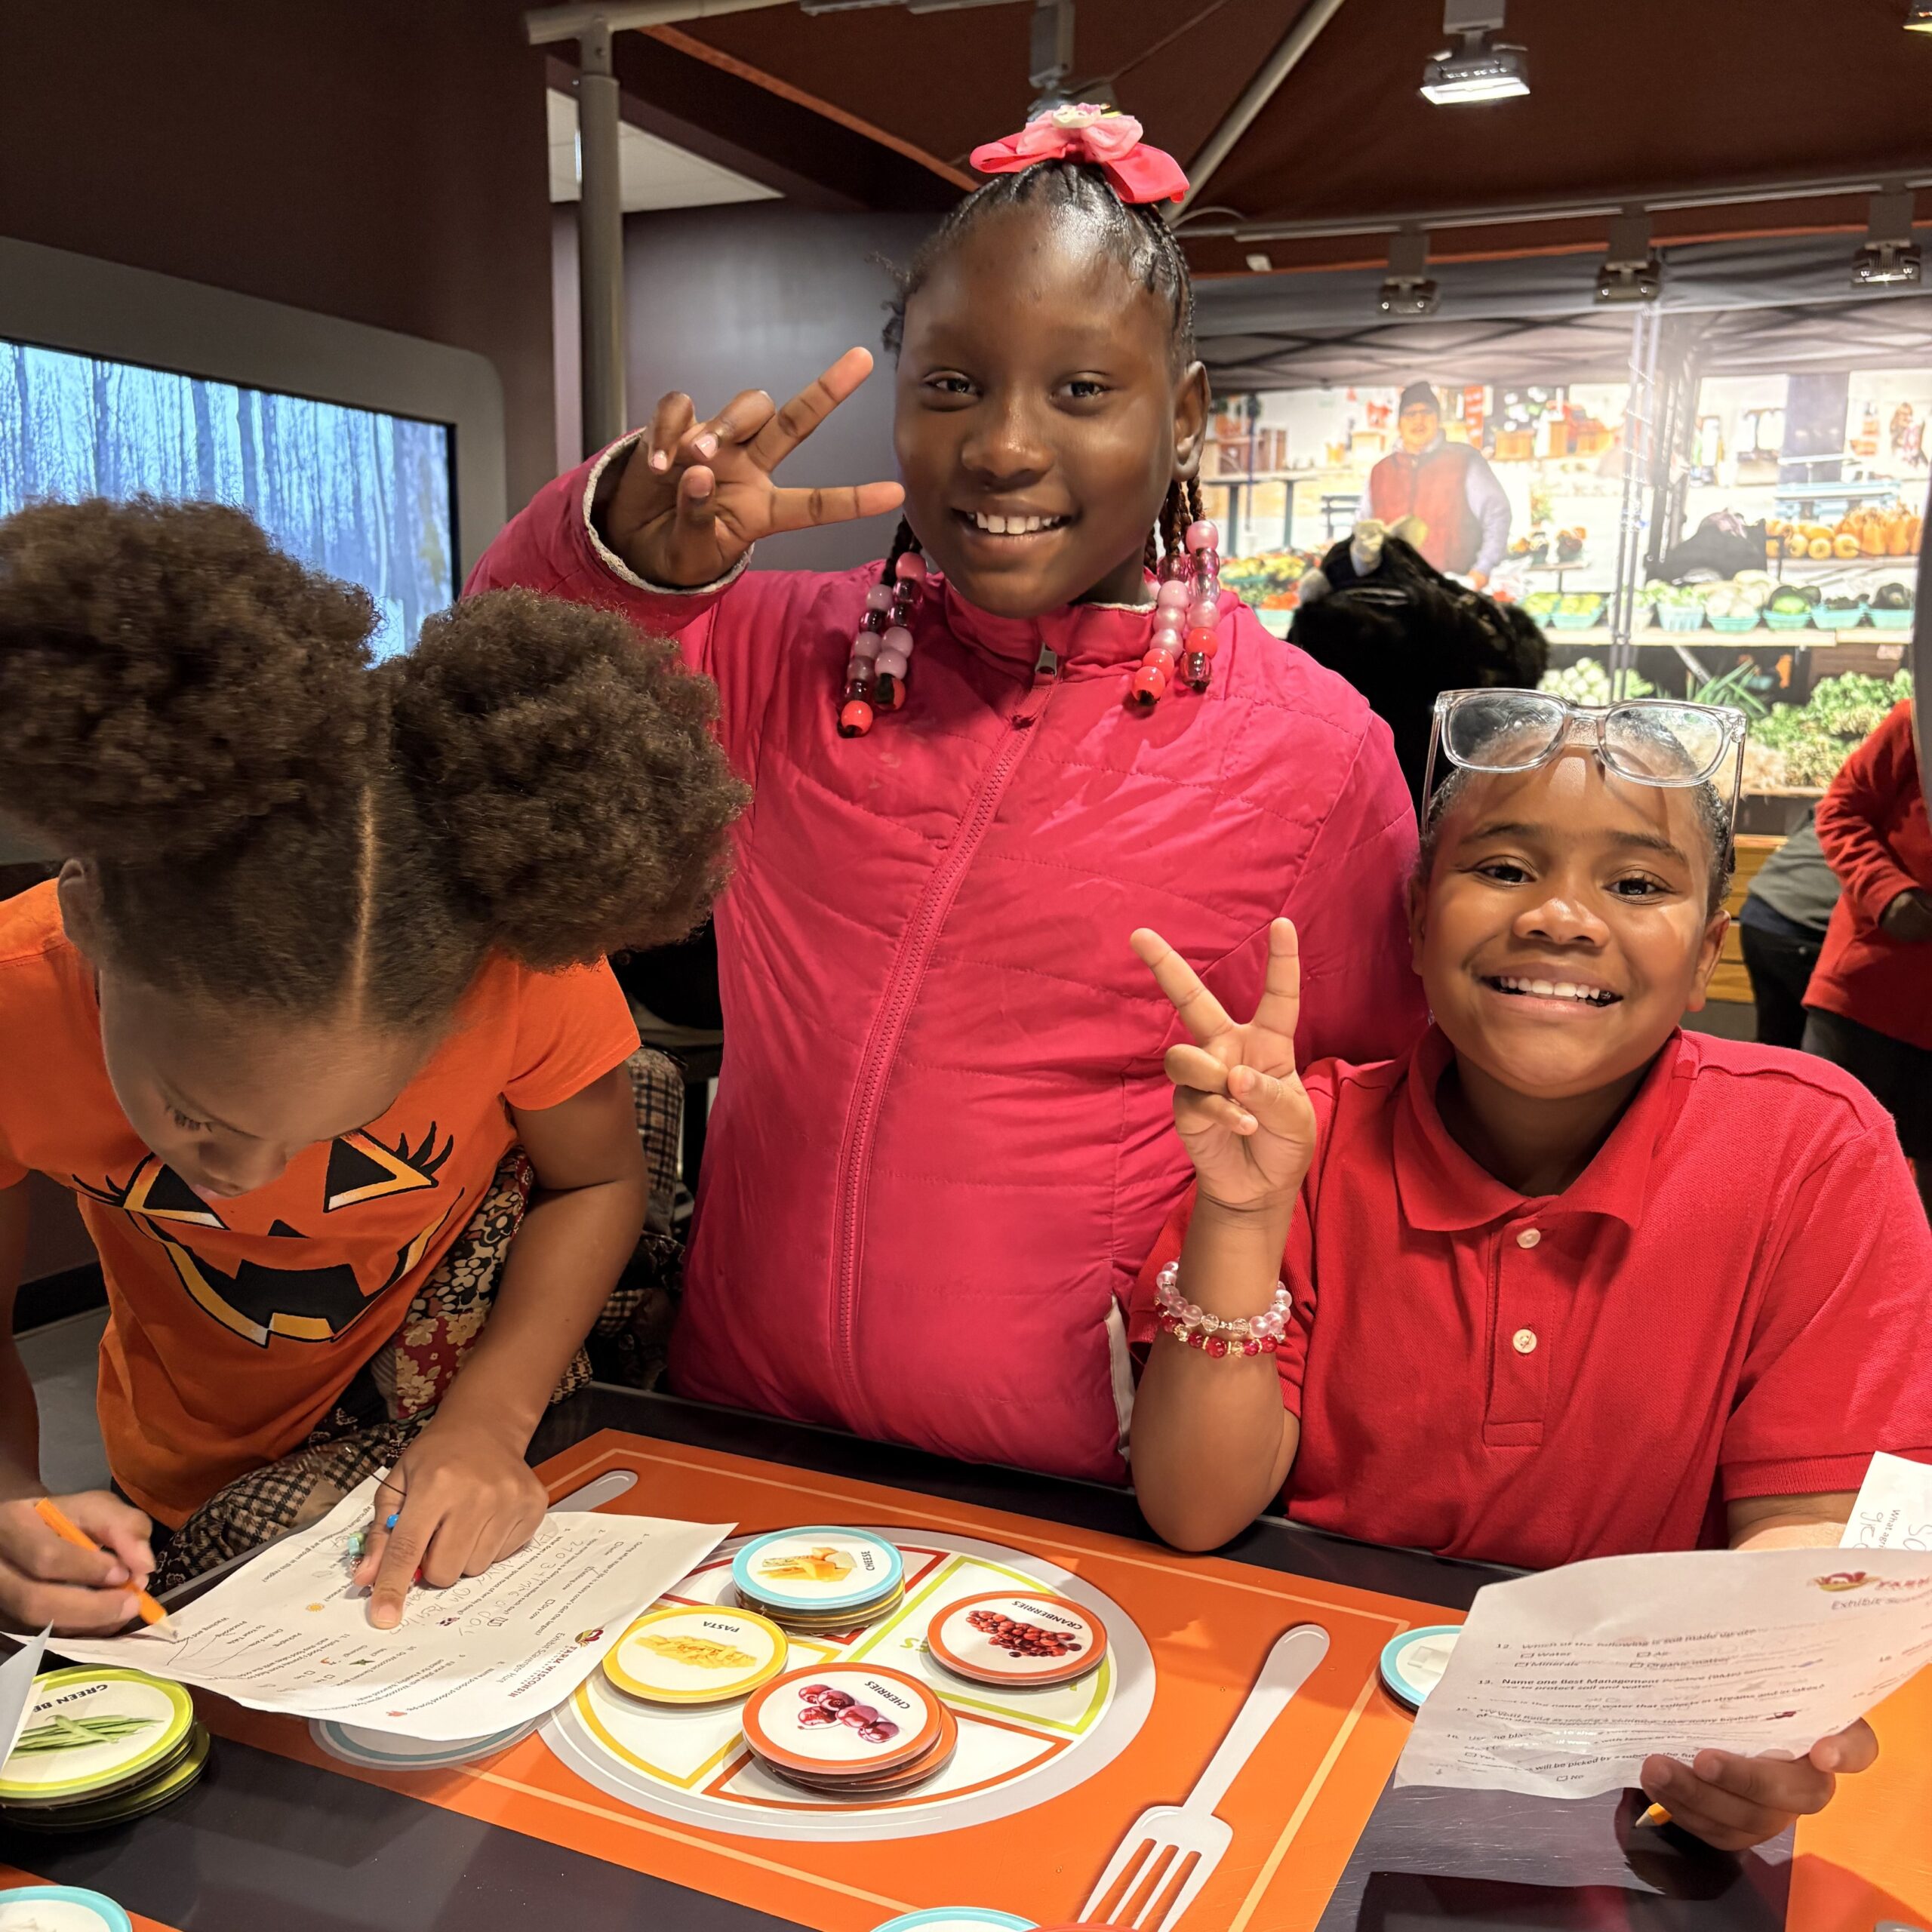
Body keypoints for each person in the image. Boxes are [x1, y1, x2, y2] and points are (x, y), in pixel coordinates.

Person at [470, 106, 1426, 1485]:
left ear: (1187, 416)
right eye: (954, 386)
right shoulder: (766, 647)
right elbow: (504, 686)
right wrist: (628, 553)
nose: (1002, 448)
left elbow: (1357, 1124)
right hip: (745, 1425)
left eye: (1083, 393)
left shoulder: (1314, 752)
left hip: (1089, 1484)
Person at [1128, 688, 1932, 1852]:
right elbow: (1196, 1512)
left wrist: (1760, 1718)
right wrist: (1242, 1215)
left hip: (1620, 1769)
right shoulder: (1306, 1136)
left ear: (1710, 952)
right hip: (1295, 1719)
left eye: (1638, 885)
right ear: (1415, 924)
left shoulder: (1814, 1150)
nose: (1563, 918)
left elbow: (1804, 1530)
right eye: (1503, 869)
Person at [0, 498, 746, 1634]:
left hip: (445, 1433)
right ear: (88, 905)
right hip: (166, 1458)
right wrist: (8, 1496)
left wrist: (490, 1423)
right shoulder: (11, 1006)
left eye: (331, 1131)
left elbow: (596, 1180)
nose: (245, 1180)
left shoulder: (513, 975)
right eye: (197, 1118)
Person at [1803, 697, 1932, 1214]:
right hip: (1865, 996)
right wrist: (1887, 892)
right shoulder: (1916, 719)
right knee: (1823, 1169)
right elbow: (1839, 811)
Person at [1359, 383, 1510, 586]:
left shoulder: (1464, 461)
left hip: (1451, 589)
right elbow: (1362, 529)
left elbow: (1497, 513)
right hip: (1394, 590)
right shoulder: (1380, 471)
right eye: (1410, 414)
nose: (1418, 420)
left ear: (1438, 419)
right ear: (1399, 423)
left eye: (1426, 412)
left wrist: (1482, 569)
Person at [1737, 812, 1839, 1049]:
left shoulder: (1850, 796)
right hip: (1795, 924)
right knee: (1831, 1042)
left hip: (1760, 910)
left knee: (1778, 1039)